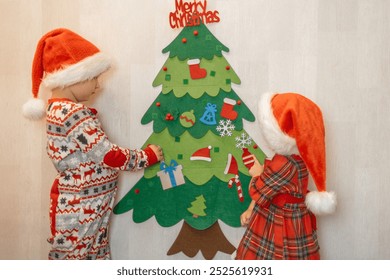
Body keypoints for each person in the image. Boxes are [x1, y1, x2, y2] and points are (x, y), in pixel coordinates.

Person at [22, 28, 163, 260]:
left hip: (84, 204)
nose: (99, 86)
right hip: (80, 208)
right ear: (73, 77)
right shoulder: (73, 113)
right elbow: (108, 155)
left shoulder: (57, 110)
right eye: (94, 78)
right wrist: (147, 156)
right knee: (78, 259)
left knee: (87, 256)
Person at [235, 92, 336, 260]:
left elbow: (259, 190)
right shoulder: (295, 159)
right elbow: (270, 189)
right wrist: (251, 208)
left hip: (281, 222)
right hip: (291, 217)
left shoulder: (284, 163)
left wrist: (256, 173)